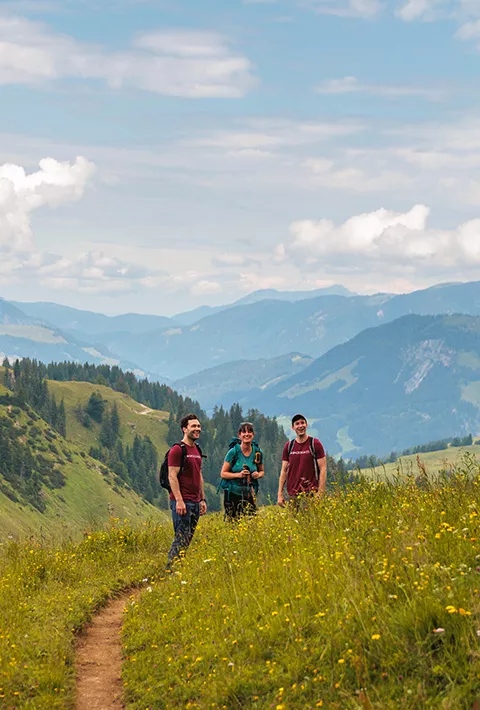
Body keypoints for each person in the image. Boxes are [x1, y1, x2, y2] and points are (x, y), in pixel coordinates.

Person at [167, 413, 207, 568]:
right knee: (181, 537)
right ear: (184, 429)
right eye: (193, 426)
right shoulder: (177, 450)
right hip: (182, 502)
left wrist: (202, 499)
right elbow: (172, 476)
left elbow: (199, 475)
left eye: (198, 426)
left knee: (187, 538)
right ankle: (170, 570)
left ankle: (177, 566)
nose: (197, 429)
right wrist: (179, 500)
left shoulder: (197, 449)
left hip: (195, 501)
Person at [277, 413, 326, 507]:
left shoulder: (314, 444)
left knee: (311, 521)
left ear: (306, 425)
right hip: (292, 494)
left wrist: (320, 493)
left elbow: (323, 469)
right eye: (297, 424)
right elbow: (284, 471)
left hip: (311, 493)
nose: (300, 426)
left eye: (302, 423)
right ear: (293, 427)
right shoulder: (289, 446)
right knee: (295, 521)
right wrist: (280, 494)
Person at [219, 421, 265, 521]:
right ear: (239, 435)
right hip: (232, 493)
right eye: (244, 432)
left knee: (251, 524)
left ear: (253, 434)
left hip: (250, 493)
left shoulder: (257, 452)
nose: (247, 434)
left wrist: (258, 475)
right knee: (233, 524)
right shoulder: (233, 452)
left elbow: (262, 471)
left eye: (249, 432)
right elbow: (223, 473)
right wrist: (239, 475)